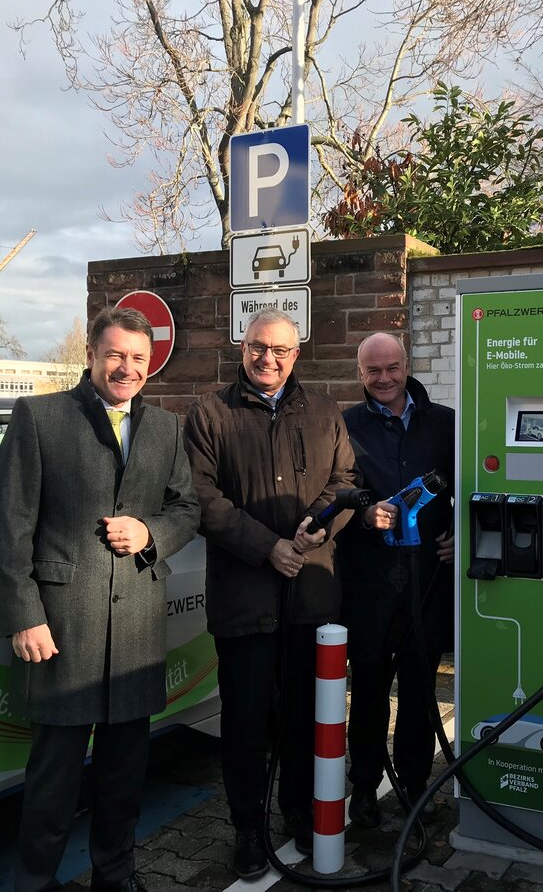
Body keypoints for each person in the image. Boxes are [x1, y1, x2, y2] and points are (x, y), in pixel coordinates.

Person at [0, 306, 200, 892]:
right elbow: (9, 527)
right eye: (115, 355)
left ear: (150, 364)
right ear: (91, 354)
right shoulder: (40, 417)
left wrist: (150, 533)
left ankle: (115, 874)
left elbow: (187, 508)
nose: (126, 368)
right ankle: (35, 883)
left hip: (134, 631)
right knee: (53, 781)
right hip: (61, 630)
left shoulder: (164, 428)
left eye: (138, 358)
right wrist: (23, 616)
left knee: (123, 777)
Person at [182, 308, 357, 880]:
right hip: (245, 601)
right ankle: (248, 831)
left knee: (308, 717)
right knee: (246, 725)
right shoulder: (210, 413)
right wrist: (267, 547)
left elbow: (345, 482)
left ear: (296, 354)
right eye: (259, 347)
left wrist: (316, 529)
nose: (268, 358)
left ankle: (301, 814)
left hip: (310, 597)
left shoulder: (325, 410)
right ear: (243, 346)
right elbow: (202, 498)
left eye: (280, 350)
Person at [337, 332, 455, 830]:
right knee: (366, 691)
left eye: (391, 368)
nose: (383, 379)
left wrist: (460, 535)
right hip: (369, 585)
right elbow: (339, 490)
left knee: (420, 693)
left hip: (427, 582)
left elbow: (472, 487)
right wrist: (367, 515)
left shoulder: (445, 422)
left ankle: (413, 785)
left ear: (406, 365)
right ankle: (363, 788)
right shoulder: (344, 426)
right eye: (372, 371)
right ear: (360, 373)